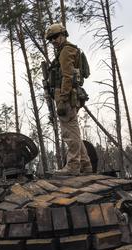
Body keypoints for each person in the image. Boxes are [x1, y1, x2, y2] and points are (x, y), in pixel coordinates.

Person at [45, 23, 93, 176]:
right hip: (68, 94)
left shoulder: (66, 51)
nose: (54, 41)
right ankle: (85, 165)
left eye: (56, 37)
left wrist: (63, 99)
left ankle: (72, 165)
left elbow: (67, 76)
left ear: (63, 35)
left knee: (69, 132)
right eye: (51, 39)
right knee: (73, 131)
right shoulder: (68, 50)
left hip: (65, 94)